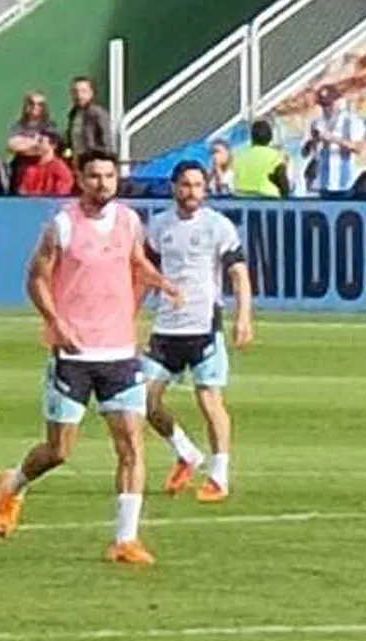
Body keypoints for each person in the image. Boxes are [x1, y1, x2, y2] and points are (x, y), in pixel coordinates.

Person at [0, 151, 182, 564]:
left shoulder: (129, 221)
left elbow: (135, 262)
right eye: (94, 176)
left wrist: (161, 282)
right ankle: (14, 483)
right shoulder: (63, 225)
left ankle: (125, 539)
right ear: (80, 178)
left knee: (131, 445)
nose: (103, 183)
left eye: (109, 176)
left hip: (120, 351)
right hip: (73, 352)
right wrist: (56, 322)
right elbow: (36, 279)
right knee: (59, 451)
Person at [144, 161, 253, 505]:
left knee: (209, 400)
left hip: (204, 326)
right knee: (143, 400)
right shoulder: (159, 226)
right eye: (186, 185)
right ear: (174, 187)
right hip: (166, 328)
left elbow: (238, 274)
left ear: (206, 189)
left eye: (197, 185)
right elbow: (145, 274)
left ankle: (219, 476)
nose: (191, 191)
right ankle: (186, 452)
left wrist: (243, 317)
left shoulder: (218, 226)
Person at [303, 86, 366, 197]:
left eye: (329, 105)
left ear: (338, 102)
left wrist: (333, 139)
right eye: (323, 105)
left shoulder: (351, 121)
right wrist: (314, 141)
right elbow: (305, 153)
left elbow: (358, 148)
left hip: (344, 184)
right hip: (322, 183)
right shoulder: (317, 123)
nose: (326, 109)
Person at [5, 92, 56, 190]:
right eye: (31, 103)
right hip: (21, 168)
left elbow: (45, 148)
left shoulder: (50, 126)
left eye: (40, 104)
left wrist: (24, 142)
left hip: (43, 169)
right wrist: (35, 142)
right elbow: (12, 146)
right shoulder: (18, 125)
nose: (35, 107)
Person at [235, 121, 291, 198]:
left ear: (252, 138)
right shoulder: (275, 156)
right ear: (270, 137)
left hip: (241, 198)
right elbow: (282, 182)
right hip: (266, 200)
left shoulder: (241, 155)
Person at [65, 76, 114, 162]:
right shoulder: (73, 115)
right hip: (77, 163)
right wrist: (67, 156)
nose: (79, 95)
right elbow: (70, 144)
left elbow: (106, 144)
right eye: (75, 92)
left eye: (83, 91)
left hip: (93, 162)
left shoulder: (97, 114)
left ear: (91, 93)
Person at [14, 131, 75, 196]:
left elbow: (60, 196)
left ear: (53, 145)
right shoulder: (30, 168)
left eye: (40, 141)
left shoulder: (61, 170)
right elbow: (22, 194)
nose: (36, 145)